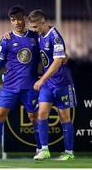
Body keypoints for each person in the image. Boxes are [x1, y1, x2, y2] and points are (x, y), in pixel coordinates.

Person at [0, 5, 41, 161]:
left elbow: (49, 46)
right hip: (10, 87)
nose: (17, 22)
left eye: (19, 19)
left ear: (25, 18)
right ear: (10, 22)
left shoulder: (35, 37)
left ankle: (41, 150)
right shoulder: (6, 40)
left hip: (30, 86)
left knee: (34, 117)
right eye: (13, 20)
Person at [28, 9, 77, 160]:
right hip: (48, 84)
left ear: (44, 22)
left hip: (61, 82)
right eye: (32, 27)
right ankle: (44, 150)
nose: (34, 30)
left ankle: (69, 153)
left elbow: (57, 62)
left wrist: (41, 79)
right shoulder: (40, 35)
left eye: (36, 27)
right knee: (41, 114)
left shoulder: (55, 37)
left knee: (64, 118)